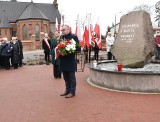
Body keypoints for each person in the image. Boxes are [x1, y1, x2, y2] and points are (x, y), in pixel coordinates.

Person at [59, 25, 80, 98]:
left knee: (71, 78)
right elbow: (58, 46)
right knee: (65, 77)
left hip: (70, 60)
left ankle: (72, 91)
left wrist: (68, 51)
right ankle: (67, 90)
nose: (62, 31)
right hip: (63, 60)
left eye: (64, 30)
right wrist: (59, 51)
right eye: (62, 30)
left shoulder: (73, 37)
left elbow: (78, 48)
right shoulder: (61, 37)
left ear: (68, 29)